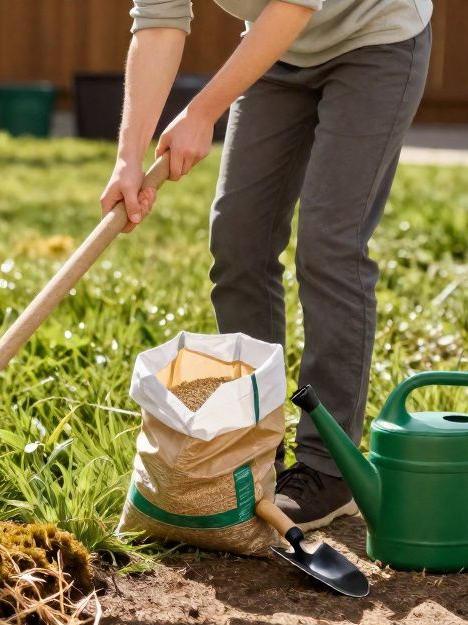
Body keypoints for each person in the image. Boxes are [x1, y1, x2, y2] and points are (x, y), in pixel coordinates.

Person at [101, 0, 432, 530]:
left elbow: (295, 5)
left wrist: (203, 111)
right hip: (277, 52)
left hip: (375, 38)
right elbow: (160, 23)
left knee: (329, 249)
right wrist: (127, 157)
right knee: (239, 244)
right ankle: (255, 450)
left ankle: (330, 469)